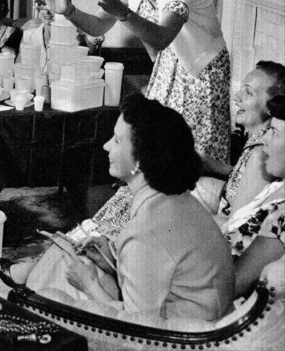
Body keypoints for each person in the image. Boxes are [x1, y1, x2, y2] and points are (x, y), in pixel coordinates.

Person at [41, 0, 230, 171]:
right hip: (167, 65)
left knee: (194, 155)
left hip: (202, 69)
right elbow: (97, 26)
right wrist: (69, 11)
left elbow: (162, 37)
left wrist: (121, 11)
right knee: (157, 149)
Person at [26, 94, 234, 321]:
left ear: (140, 161)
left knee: (56, 284)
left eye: (116, 140)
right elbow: (163, 271)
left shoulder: (144, 231)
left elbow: (137, 330)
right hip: (199, 318)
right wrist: (110, 259)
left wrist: (90, 286)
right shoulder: (179, 200)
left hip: (180, 337)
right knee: (65, 256)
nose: (105, 146)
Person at [224, 94, 285, 298]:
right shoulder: (277, 186)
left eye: (274, 133)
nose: (264, 139)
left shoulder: (282, 215)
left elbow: (233, 283)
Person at [215, 62, 285, 221]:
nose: (236, 97)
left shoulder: (262, 153)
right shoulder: (256, 139)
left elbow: (234, 225)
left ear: (270, 106)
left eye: (248, 92)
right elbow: (242, 178)